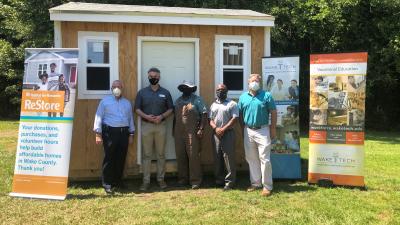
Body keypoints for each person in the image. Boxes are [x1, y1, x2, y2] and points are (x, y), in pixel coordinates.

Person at [135, 67, 173, 191]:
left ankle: (161, 180)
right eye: (151, 76)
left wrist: (161, 116)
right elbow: (137, 109)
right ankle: (145, 181)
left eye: (155, 76)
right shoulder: (142, 92)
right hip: (146, 126)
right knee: (146, 155)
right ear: (148, 77)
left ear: (159, 77)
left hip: (161, 126)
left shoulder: (166, 93)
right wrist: (147, 117)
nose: (153, 78)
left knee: (161, 154)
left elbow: (171, 109)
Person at [238, 74, 277, 197]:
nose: (254, 82)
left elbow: (273, 112)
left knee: (264, 159)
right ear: (248, 82)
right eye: (252, 80)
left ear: (260, 83)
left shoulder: (267, 95)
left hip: (263, 130)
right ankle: (255, 183)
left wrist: (273, 128)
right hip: (248, 130)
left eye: (257, 81)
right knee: (251, 158)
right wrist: (242, 129)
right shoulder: (243, 97)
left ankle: (267, 186)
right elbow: (240, 115)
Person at [93, 80, 135, 194]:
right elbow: (98, 117)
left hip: (124, 133)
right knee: (109, 158)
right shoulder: (105, 102)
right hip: (110, 133)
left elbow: (130, 118)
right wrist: (98, 134)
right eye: (114, 86)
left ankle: (118, 182)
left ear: (122, 88)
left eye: (119, 86)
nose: (116, 88)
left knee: (121, 158)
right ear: (111, 88)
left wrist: (131, 133)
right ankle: (107, 183)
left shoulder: (127, 103)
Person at [174, 80, 207, 189]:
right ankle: (183, 178)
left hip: (192, 131)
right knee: (180, 155)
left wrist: (201, 129)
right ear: (182, 89)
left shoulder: (197, 100)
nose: (186, 89)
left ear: (192, 89)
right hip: (179, 132)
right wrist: (173, 130)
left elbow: (204, 114)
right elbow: (175, 117)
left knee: (193, 155)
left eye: (189, 88)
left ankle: (195, 180)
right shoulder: (177, 101)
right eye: (184, 88)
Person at [209, 84, 239, 190]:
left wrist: (223, 129)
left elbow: (234, 119)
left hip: (228, 134)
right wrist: (216, 129)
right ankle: (219, 180)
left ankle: (229, 182)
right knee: (217, 157)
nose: (220, 92)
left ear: (226, 91)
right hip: (216, 134)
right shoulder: (213, 105)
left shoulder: (232, 104)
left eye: (222, 90)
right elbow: (210, 119)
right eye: (218, 90)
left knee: (228, 158)